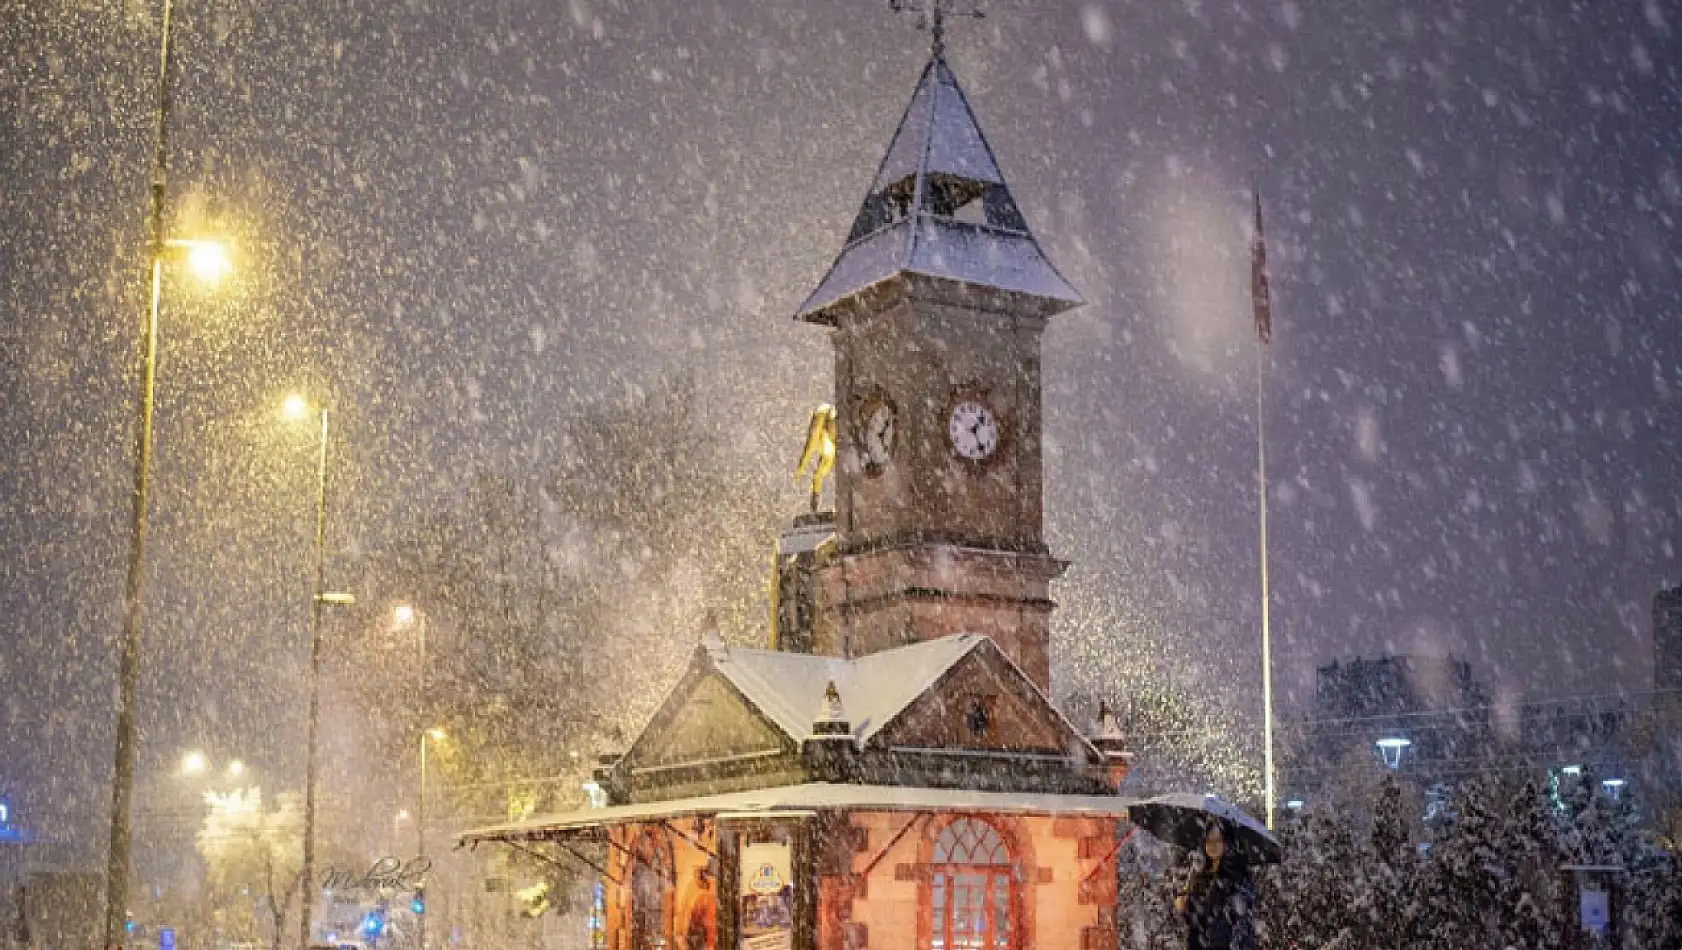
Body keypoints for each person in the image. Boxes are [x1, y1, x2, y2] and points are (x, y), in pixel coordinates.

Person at [1173, 822, 1256, 950]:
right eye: (1209, 840)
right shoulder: (1199, 874)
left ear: (1226, 843)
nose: (1213, 845)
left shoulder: (1237, 876)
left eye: (1218, 840)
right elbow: (1195, 919)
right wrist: (1183, 904)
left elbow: (1241, 922)